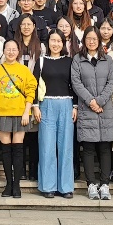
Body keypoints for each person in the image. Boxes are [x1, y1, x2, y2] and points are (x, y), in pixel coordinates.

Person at [71, 27, 113, 200]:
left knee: (105, 148)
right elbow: (76, 82)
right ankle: (91, 184)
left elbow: (111, 82)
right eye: (88, 38)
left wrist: (100, 101)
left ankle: (104, 185)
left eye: (94, 38)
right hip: (86, 108)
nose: (91, 41)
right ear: (84, 41)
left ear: (99, 41)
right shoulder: (78, 59)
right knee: (88, 148)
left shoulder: (108, 60)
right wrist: (91, 101)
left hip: (105, 110)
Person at [0, 37, 38, 199]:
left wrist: (27, 111)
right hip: (1, 112)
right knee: (5, 150)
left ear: (18, 52)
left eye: (14, 49)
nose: (11, 52)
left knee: (18, 150)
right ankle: (8, 184)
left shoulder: (24, 70)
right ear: (3, 51)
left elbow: (31, 90)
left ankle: (17, 184)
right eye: (8, 49)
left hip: (20, 113)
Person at [36, 29, 76, 199]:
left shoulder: (69, 61)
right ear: (48, 42)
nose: (56, 44)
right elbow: (34, 85)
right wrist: (35, 106)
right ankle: (48, 186)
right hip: (46, 104)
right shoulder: (41, 61)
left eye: (59, 41)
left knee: (66, 147)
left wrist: (75, 106)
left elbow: (74, 84)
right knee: (47, 146)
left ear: (63, 43)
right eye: (53, 40)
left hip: (66, 104)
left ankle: (66, 187)